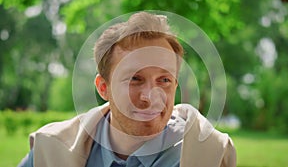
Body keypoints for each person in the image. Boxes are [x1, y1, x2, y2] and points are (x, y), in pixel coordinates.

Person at [18, 12, 236, 167]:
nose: (150, 97)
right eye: (135, 79)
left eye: (164, 80)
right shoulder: (51, 151)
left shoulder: (211, 156)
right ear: (103, 87)